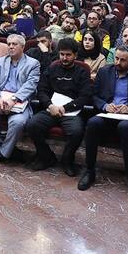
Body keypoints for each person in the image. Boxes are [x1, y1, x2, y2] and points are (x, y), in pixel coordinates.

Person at [78, 46, 128, 202]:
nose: (118, 62)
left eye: (123, 60)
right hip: (107, 114)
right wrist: (105, 105)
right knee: (92, 123)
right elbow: (93, 95)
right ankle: (89, 171)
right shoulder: (104, 72)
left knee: (125, 127)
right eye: (116, 58)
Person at [26, 38, 93, 176]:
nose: (64, 58)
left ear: (75, 55)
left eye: (68, 55)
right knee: (32, 125)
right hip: (51, 108)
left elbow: (85, 96)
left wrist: (65, 108)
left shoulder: (82, 72)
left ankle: (67, 160)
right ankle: (46, 156)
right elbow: (41, 90)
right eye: (62, 54)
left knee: (76, 132)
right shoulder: (52, 68)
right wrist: (50, 105)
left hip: (71, 111)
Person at [0, 34, 41, 163]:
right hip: (0, 99)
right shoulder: (0, 62)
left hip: (20, 101)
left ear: (22, 46)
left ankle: (0, 154)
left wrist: (14, 99)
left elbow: (30, 85)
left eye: (14, 44)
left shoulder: (33, 64)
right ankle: (8, 151)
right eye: (9, 44)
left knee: (17, 122)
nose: (11, 46)